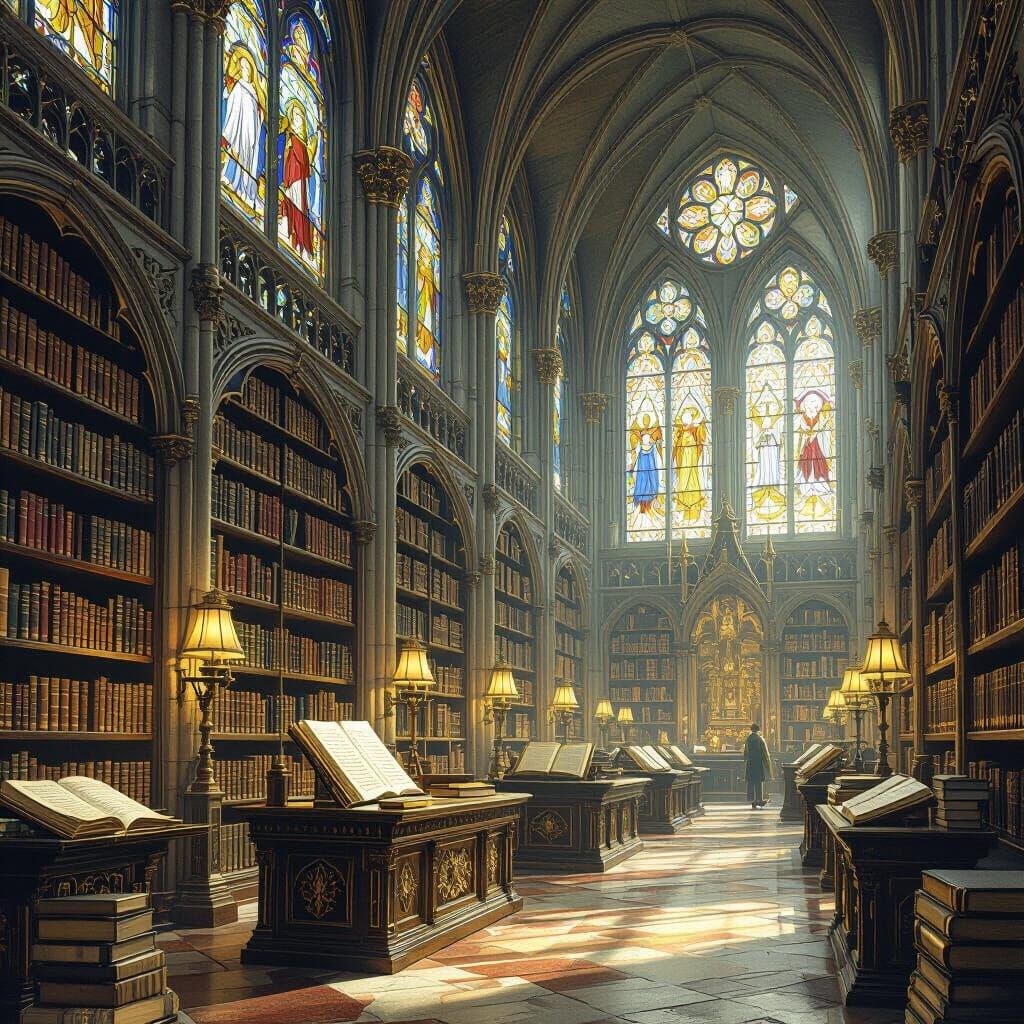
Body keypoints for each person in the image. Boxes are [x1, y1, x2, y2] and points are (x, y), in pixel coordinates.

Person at [743, 722, 773, 809]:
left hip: (750, 764)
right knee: (758, 783)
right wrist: (767, 764)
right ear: (758, 730)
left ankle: (752, 800)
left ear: (751, 729)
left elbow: (745, 752)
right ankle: (759, 800)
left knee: (751, 782)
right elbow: (764, 753)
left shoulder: (748, 738)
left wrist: (746, 760)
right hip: (758, 763)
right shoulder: (760, 739)